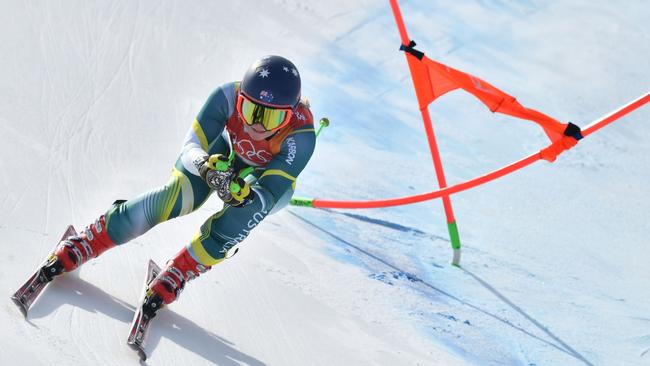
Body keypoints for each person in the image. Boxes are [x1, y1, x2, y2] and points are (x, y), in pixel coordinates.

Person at [46, 55, 316, 313]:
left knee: (243, 215)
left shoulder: (301, 136)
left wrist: (247, 198)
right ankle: (92, 239)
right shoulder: (226, 97)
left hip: (263, 177)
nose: (256, 124)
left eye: (271, 117)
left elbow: (268, 195)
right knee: (179, 196)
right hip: (225, 151)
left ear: (290, 116)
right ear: (240, 98)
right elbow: (191, 147)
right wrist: (204, 165)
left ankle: (182, 269)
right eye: (249, 110)